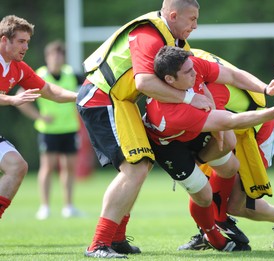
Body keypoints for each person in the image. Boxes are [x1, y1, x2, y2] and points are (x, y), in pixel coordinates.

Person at [76, 0, 213, 258]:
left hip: (120, 101)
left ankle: (116, 240)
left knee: (143, 164)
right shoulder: (149, 35)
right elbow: (144, 81)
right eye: (191, 19)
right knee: (135, 168)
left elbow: (194, 74)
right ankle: (98, 244)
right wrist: (188, 100)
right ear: (173, 15)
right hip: (102, 97)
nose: (195, 25)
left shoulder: (173, 39)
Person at [143, 46, 274, 251]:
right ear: (169, 79)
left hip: (258, 130)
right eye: (190, 20)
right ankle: (214, 232)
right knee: (208, 193)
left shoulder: (192, 63)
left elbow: (233, 78)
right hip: (196, 135)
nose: (194, 72)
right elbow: (229, 121)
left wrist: (266, 90)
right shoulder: (176, 107)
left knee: (235, 203)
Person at [0, 15, 77, 220]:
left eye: (27, 42)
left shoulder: (19, 68)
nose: (25, 47)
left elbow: (51, 91)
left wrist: (82, 97)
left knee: (17, 166)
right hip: (49, 132)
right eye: (21, 41)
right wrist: (10, 100)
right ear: (4, 40)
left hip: (67, 131)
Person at [16, 40, 82, 220]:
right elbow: (19, 98)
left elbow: (87, 92)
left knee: (69, 168)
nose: (57, 58)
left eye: (60, 55)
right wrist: (38, 116)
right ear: (47, 57)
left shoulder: (72, 75)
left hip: (69, 128)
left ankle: (69, 206)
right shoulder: (39, 75)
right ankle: (44, 207)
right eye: (54, 55)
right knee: (47, 168)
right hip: (48, 130)